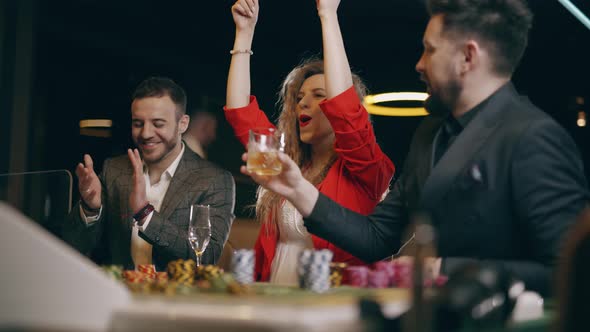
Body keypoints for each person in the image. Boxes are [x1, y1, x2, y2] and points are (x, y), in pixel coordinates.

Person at [242, 0, 590, 295]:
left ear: (468, 57)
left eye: (430, 49)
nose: (418, 64)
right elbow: (376, 237)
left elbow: (569, 272)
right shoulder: (429, 133)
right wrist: (298, 189)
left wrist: (443, 268)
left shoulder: (533, 137)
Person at [225, 0, 395, 284]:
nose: (304, 103)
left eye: (318, 95)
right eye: (299, 97)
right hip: (274, 300)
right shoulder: (288, 161)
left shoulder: (368, 170)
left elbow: (345, 109)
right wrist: (244, 33)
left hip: (330, 308)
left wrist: (328, 14)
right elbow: (240, 113)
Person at [63, 77, 236, 271]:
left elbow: (207, 255)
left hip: (176, 297)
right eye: (138, 123)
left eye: (158, 124)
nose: (146, 133)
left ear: (183, 124)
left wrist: (145, 214)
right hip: (118, 295)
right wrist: (90, 209)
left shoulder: (213, 180)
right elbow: (73, 247)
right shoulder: (114, 170)